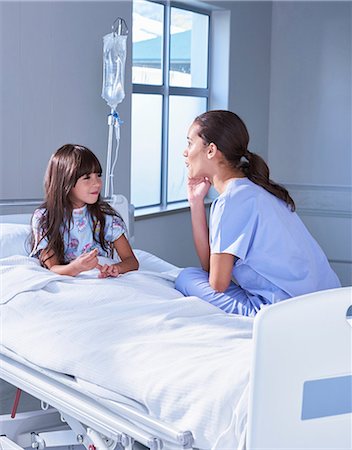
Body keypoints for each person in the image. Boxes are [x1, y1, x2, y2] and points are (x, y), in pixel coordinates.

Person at [175, 110, 340, 315]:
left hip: (284, 309)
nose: (185, 152)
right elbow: (213, 268)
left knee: (186, 277)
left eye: (190, 143)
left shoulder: (231, 201)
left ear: (211, 150)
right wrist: (196, 202)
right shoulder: (256, 190)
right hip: (329, 302)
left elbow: (216, 282)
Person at [30, 144, 139, 277]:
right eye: (87, 178)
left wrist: (115, 268)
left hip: (103, 281)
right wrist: (76, 267)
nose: (97, 183)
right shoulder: (45, 218)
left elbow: (131, 261)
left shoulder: (105, 217)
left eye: (98, 175)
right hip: (70, 281)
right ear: (65, 182)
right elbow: (53, 268)